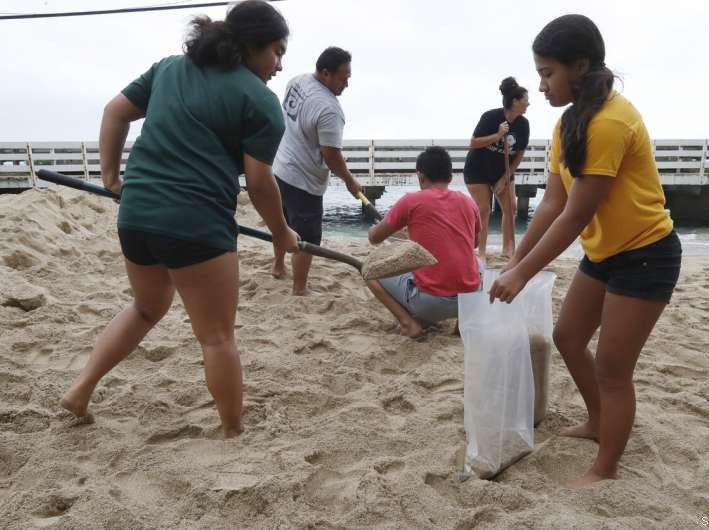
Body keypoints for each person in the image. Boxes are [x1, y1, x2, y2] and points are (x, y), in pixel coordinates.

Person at [59, 0, 299, 438]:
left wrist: (112, 178)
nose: (280, 65)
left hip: (136, 216)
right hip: (197, 224)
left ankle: (80, 391)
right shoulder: (261, 102)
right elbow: (260, 182)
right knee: (216, 336)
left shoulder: (169, 68)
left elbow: (115, 112)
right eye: (276, 51)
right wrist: (282, 233)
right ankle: (232, 430)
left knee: (145, 307)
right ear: (250, 46)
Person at [489, 14, 682, 485]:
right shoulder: (567, 124)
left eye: (548, 73)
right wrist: (515, 261)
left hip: (647, 254)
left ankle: (606, 469)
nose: (541, 85)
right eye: (539, 73)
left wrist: (522, 274)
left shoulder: (614, 121)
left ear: (580, 66)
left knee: (615, 370)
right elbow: (553, 202)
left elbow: (576, 215)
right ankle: (598, 422)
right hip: (605, 254)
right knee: (568, 338)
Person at [271, 47, 363, 295]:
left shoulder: (297, 81)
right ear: (325, 73)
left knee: (281, 223)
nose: (347, 84)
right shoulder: (330, 109)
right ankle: (299, 288)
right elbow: (331, 155)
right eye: (343, 78)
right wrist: (349, 180)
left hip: (279, 168)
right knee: (307, 238)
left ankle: (278, 267)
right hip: (304, 182)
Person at [366, 146, 482, 338]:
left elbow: (375, 238)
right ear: (451, 177)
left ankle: (408, 324)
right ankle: (461, 325)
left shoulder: (411, 201)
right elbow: (474, 243)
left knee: (369, 270)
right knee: (477, 262)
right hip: (468, 301)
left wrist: (374, 228)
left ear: (420, 176)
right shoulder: (468, 202)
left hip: (429, 303)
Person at [464, 77, 530, 261]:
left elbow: (519, 154)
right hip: (477, 170)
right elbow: (474, 143)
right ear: (515, 102)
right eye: (525, 100)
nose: (528, 104)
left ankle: (507, 249)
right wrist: (499, 135)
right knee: (484, 209)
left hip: (502, 171)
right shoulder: (491, 117)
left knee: (511, 208)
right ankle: (482, 252)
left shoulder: (523, 124)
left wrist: (504, 178)